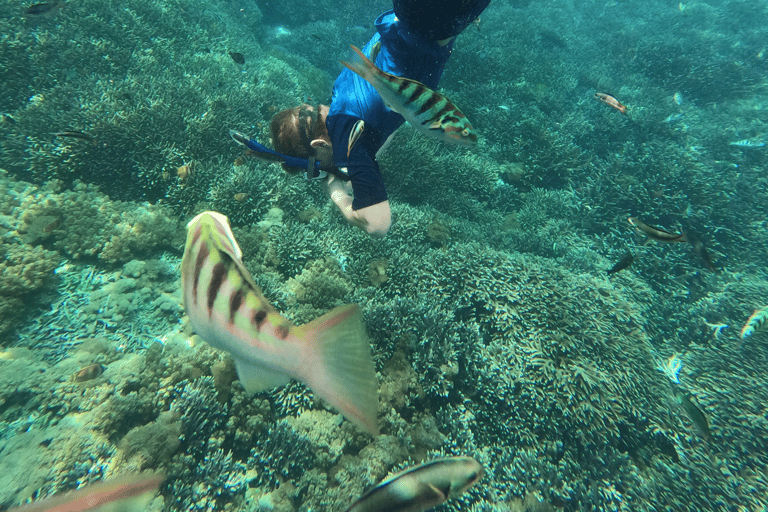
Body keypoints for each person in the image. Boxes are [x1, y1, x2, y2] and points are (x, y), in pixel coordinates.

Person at [269, 0, 491, 237]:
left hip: (434, 22)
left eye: (315, 168)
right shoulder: (341, 91)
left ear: (319, 145)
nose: (322, 172)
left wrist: (339, 197)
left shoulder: (346, 138)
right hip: (408, 15)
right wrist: (348, 172)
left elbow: (378, 225)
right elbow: (383, 131)